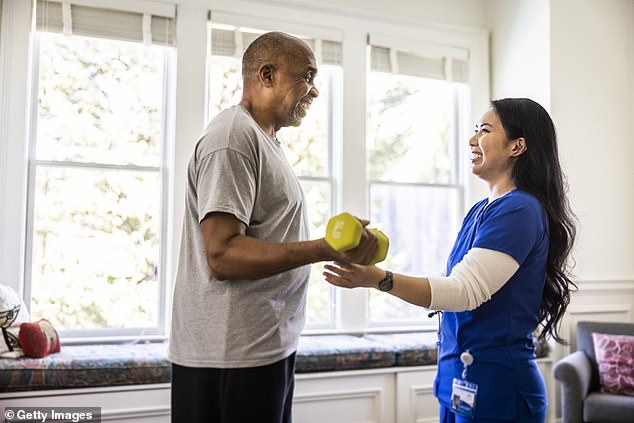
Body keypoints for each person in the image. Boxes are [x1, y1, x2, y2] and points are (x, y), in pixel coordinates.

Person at [323, 98, 577, 423]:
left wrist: (379, 279)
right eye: (474, 130)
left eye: (484, 130)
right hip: (457, 382)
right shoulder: (480, 211)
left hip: (499, 391)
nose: (472, 140)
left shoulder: (520, 210)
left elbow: (462, 292)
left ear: (518, 146)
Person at [168, 32, 378, 423]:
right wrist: (322, 249)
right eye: (307, 77)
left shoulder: (264, 139)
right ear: (267, 74)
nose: (314, 92)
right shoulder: (232, 138)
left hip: (261, 346)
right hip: (228, 356)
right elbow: (223, 254)